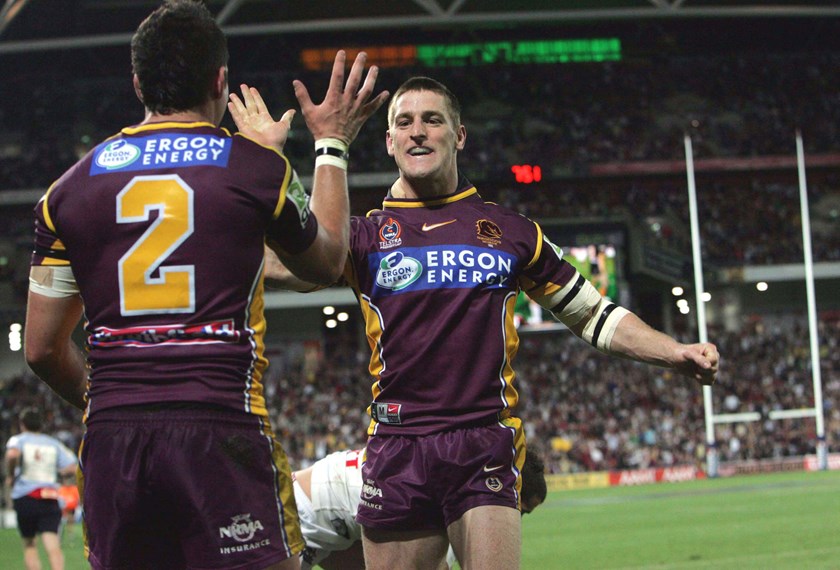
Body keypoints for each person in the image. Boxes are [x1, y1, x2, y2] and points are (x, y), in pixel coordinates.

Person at [257, 76, 719, 569]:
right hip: (396, 447)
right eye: (404, 122)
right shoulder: (361, 237)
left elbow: (593, 314)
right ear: (389, 142)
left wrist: (674, 351)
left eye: (432, 120)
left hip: (482, 442)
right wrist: (259, 166)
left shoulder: (512, 232)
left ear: (458, 135)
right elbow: (268, 264)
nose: (418, 132)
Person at [22, 1, 387, 569]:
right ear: (220, 81)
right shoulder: (254, 169)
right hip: (221, 426)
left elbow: (43, 349)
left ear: (138, 82)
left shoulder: (65, 192)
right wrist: (331, 143)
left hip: (116, 437)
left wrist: (111, 402)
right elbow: (325, 261)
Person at [292, 448, 547, 570]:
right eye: (521, 511)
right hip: (298, 513)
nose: (517, 520)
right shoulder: (448, 497)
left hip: (332, 527)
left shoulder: (452, 467)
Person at [4, 407, 78, 570]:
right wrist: (57, 472)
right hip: (49, 496)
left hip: (26, 496)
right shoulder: (53, 443)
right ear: (41, 425)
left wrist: (10, 475)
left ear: (22, 424)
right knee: (53, 544)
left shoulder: (18, 440)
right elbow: (73, 466)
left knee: (30, 544)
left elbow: (12, 455)